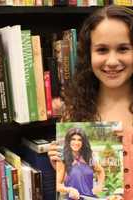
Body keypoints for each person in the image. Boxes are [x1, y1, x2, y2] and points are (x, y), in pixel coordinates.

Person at [48, 5, 133, 200]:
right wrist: (59, 162)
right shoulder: (74, 111)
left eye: (123, 48)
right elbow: (72, 181)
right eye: (102, 50)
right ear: (89, 55)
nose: (112, 61)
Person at [57, 127, 105, 199]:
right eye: (73, 139)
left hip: (90, 198)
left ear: (83, 142)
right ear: (68, 141)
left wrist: (99, 185)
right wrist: (69, 190)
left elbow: (100, 171)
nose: (76, 142)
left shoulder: (89, 157)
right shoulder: (63, 159)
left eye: (79, 140)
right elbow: (57, 185)